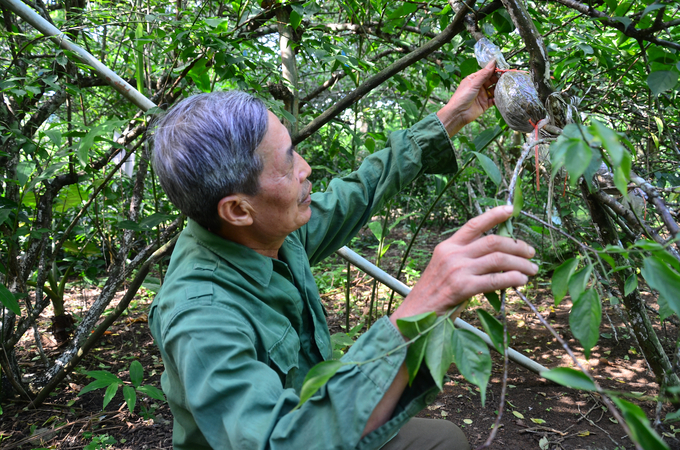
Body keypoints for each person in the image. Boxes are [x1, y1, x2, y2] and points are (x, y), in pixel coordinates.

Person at [149, 60, 538, 450]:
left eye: (294, 151)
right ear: (237, 209)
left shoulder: (269, 230)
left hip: (318, 416)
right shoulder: (201, 316)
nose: (306, 168)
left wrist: (453, 115)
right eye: (286, 164)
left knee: (444, 441)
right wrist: (414, 315)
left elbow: (362, 191)